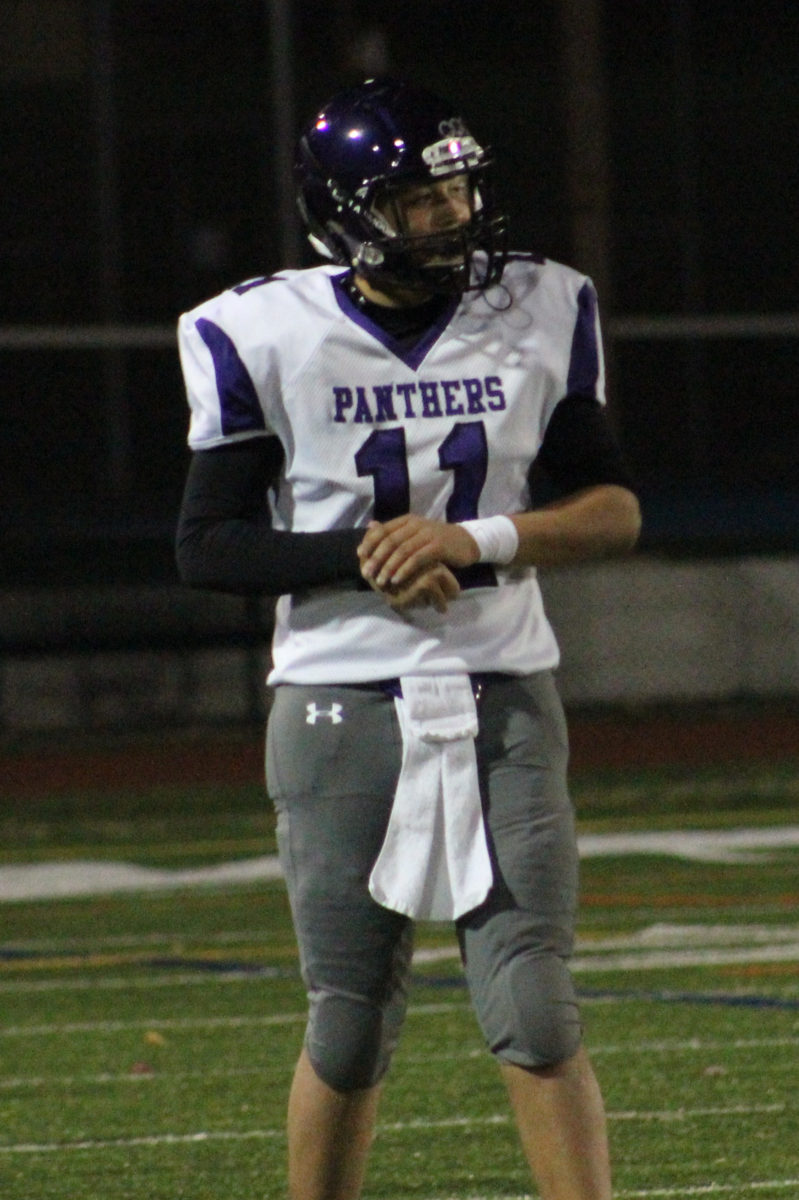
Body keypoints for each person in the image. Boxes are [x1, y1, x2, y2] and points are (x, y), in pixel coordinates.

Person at [176, 77, 641, 1200]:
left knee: (534, 1003)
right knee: (347, 1019)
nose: (455, 212)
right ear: (346, 210)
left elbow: (610, 512)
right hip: (338, 699)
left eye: (458, 186)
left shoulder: (543, 302)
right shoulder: (255, 328)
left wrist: (470, 539)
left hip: (502, 687)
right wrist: (367, 551)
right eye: (422, 198)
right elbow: (210, 546)